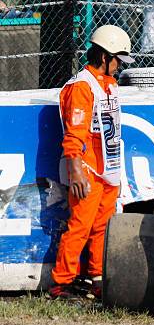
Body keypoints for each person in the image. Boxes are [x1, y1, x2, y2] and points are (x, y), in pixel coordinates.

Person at [49, 25, 134, 300]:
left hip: (108, 170)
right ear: (104, 56)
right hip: (86, 169)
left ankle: (95, 278)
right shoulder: (81, 87)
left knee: (103, 227)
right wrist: (76, 172)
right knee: (80, 226)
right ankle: (61, 284)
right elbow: (74, 134)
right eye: (118, 59)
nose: (120, 65)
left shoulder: (109, 83)